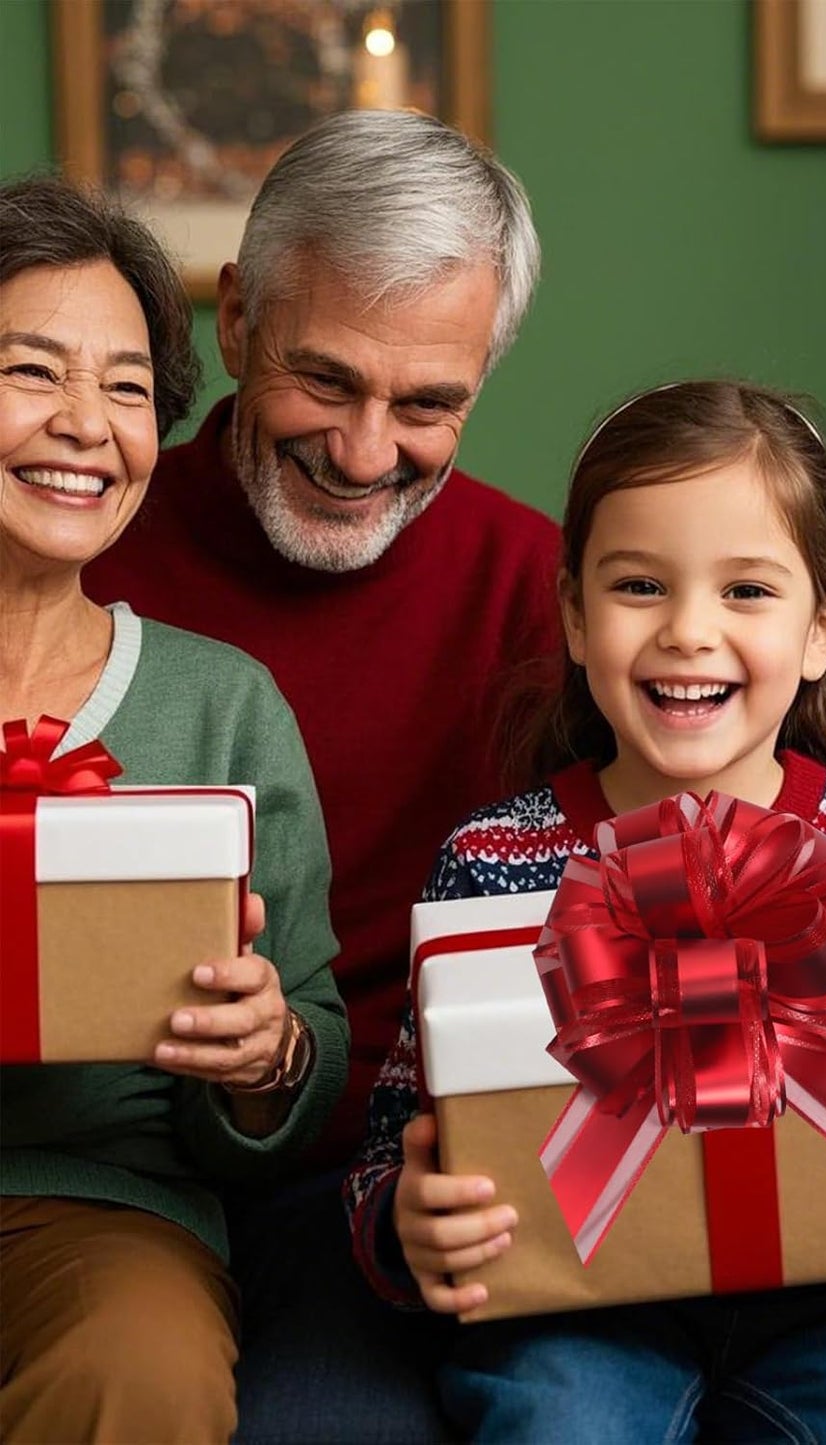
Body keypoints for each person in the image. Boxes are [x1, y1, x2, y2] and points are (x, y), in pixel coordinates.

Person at [345, 379, 826, 1443]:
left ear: (823, 630)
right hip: (572, 1308)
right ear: (576, 617)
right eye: (638, 585)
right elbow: (393, 1142)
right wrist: (406, 1221)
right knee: (560, 1418)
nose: (686, 631)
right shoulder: (492, 863)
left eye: (745, 592)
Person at [83, 110, 561, 1440]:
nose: (365, 454)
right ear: (234, 321)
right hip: (101, 1164)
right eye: (326, 382)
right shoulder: (77, 547)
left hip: (389, 1174)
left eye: (427, 405)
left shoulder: (550, 592)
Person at [0, 177, 346, 1443]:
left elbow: (308, 1039)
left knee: (137, 1364)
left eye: (130, 387)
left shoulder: (222, 705)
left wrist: (265, 1059)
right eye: (32, 372)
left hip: (104, 1209)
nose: (87, 424)